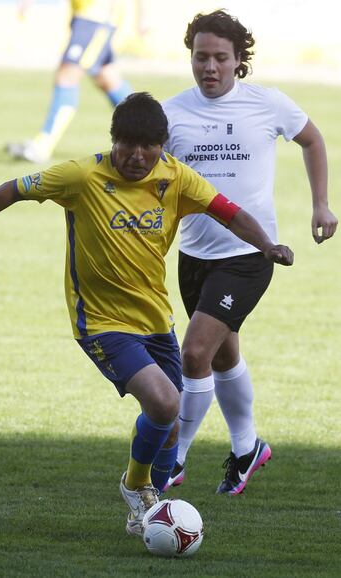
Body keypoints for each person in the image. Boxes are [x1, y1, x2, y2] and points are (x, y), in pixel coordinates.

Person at [0, 93, 294, 535]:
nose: (138, 157)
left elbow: (229, 213)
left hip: (157, 322)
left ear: (163, 146)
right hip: (101, 324)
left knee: (172, 423)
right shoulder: (81, 176)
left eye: (149, 147)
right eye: (128, 146)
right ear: (113, 141)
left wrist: (266, 245)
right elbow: (12, 190)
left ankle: (147, 508)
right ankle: (134, 485)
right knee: (164, 403)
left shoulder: (176, 178)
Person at [162, 10, 338, 496]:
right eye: (201, 57)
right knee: (222, 355)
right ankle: (247, 449)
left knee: (195, 352)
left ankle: (172, 458)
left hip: (250, 253)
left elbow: (312, 139)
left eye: (221, 58)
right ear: (191, 58)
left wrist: (320, 203)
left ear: (240, 61)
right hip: (194, 255)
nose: (210, 67)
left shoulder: (268, 104)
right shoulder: (171, 112)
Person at [7, 0, 134, 163]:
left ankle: (42, 146)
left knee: (67, 76)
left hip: (95, 17)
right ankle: (156, 133)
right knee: (107, 78)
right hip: (92, 16)